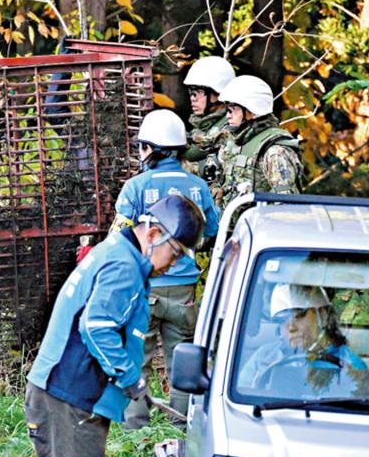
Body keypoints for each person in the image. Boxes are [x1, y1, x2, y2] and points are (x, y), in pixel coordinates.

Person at [25, 195, 205, 457]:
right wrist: (131, 378)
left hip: (64, 394)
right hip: (67, 398)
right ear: (154, 234)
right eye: (176, 253)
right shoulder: (124, 266)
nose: (175, 264)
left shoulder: (119, 251)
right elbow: (97, 328)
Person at [109, 109, 219, 429]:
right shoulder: (198, 186)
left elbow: (119, 237)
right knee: (181, 360)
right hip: (184, 289)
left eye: (143, 146)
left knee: (137, 357)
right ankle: (182, 425)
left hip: (146, 287)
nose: (140, 153)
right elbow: (211, 231)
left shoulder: (135, 187)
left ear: (153, 149)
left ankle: (135, 427)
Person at [238, 284, 368, 394]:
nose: (290, 327)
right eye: (281, 320)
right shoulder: (264, 356)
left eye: (298, 315)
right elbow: (242, 398)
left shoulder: (349, 362)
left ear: (322, 315)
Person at [214, 75, 302, 208]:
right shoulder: (232, 143)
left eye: (233, 109)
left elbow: (285, 205)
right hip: (231, 226)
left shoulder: (275, 152)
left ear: (253, 111)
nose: (228, 115)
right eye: (227, 110)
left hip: (259, 227)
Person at [181, 56, 235, 180]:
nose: (193, 98)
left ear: (218, 93)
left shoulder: (229, 126)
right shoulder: (207, 123)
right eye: (191, 92)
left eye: (199, 91)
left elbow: (193, 156)